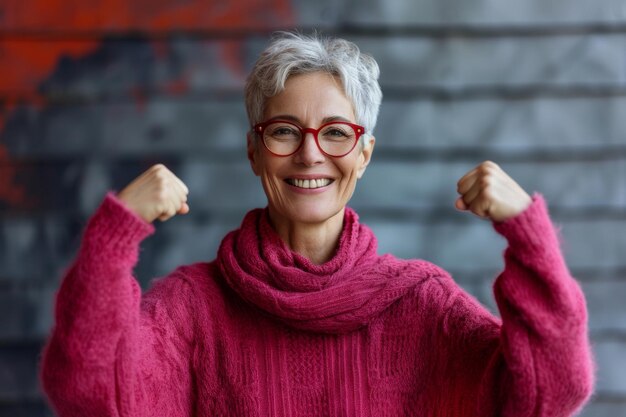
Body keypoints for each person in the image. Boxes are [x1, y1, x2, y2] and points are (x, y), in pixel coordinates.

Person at [40, 32, 594, 417]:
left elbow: (551, 391)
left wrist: (528, 232)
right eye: (284, 131)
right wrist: (113, 237)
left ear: (365, 154)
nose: (310, 156)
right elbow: (89, 395)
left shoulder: (422, 305)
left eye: (335, 133)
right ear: (254, 151)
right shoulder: (195, 310)